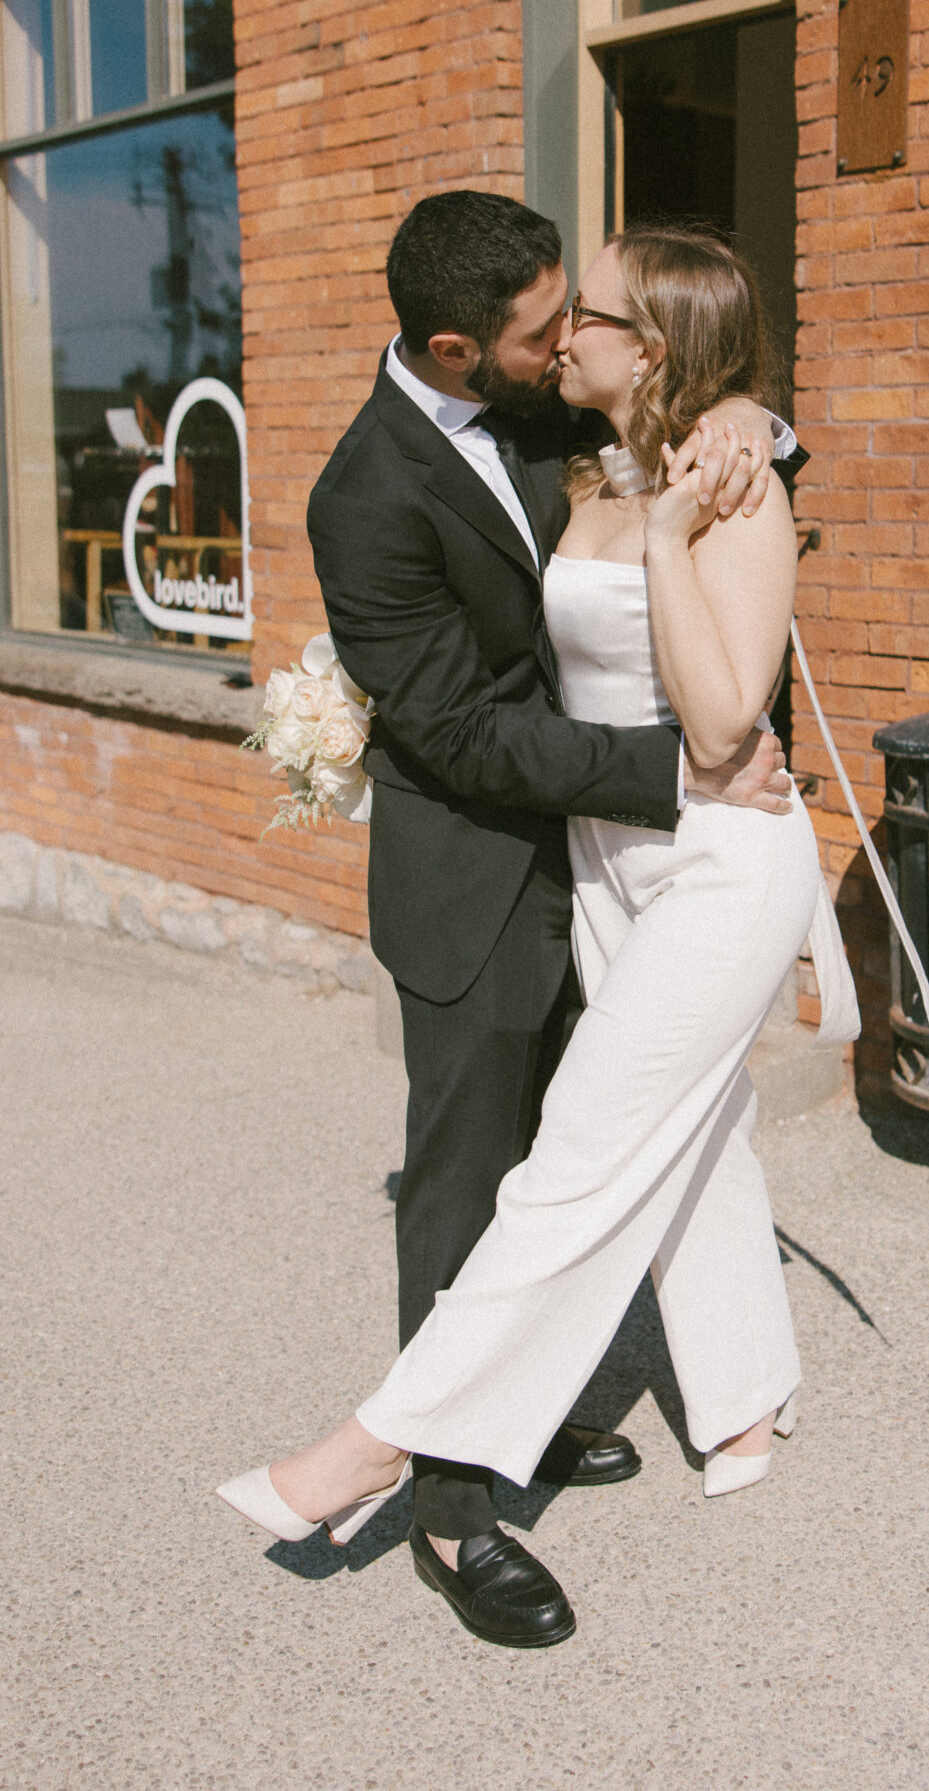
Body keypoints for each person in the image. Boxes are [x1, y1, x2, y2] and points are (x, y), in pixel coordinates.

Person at [222, 213, 841, 1648]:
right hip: (503, 869)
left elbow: (718, 442)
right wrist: (671, 771)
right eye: (538, 328)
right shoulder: (369, 491)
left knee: (639, 1140)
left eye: (583, 317)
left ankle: (435, 1436)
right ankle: (451, 1512)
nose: (561, 341)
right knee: (476, 1171)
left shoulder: (567, 425)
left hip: (653, 856)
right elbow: (449, 727)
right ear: (461, 348)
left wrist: (754, 411)